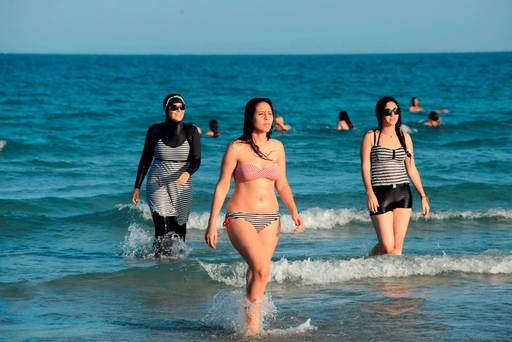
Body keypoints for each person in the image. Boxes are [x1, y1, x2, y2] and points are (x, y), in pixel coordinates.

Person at [205, 98, 303, 335]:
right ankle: (251, 329)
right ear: (250, 117)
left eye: (270, 113)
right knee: (262, 270)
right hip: (239, 216)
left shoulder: (278, 147)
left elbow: (282, 184)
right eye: (262, 114)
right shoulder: (236, 147)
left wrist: (294, 210)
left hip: (271, 218)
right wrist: (212, 224)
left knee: (255, 271)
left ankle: (246, 322)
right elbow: (222, 186)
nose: (268, 118)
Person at [132, 94, 201, 255]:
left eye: (182, 107)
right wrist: (137, 187)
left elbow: (196, 160)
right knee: (162, 229)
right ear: (166, 109)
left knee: (179, 230)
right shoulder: (155, 130)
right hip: (157, 182)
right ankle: (158, 265)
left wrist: (188, 173)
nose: (179, 110)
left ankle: (176, 267)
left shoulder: (191, 131)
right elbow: (145, 159)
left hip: (182, 184)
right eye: (174, 107)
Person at [360, 96, 430, 256]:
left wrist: (423, 196)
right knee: (386, 246)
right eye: (388, 111)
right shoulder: (371, 136)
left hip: (403, 193)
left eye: (396, 111)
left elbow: (411, 168)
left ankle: (392, 281)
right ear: (380, 114)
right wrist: (369, 192)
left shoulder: (405, 137)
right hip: (380, 193)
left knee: (397, 250)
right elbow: (365, 167)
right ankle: (368, 261)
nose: (393, 115)